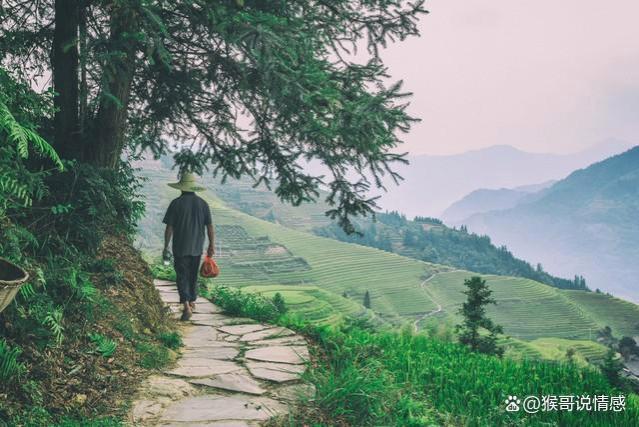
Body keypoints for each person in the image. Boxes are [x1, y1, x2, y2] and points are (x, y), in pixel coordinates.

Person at [162, 172, 215, 321]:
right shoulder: (203, 204)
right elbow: (210, 227)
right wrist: (211, 245)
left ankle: (186, 305)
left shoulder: (175, 204)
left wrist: (166, 246)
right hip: (197, 247)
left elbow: (169, 228)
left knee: (182, 276)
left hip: (180, 247)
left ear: (181, 188)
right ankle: (191, 302)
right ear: (193, 188)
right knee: (193, 275)